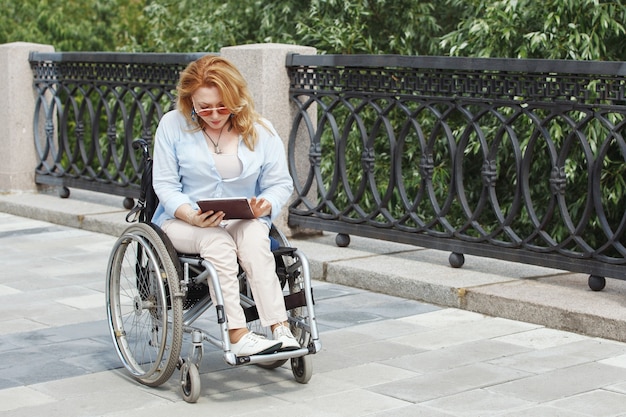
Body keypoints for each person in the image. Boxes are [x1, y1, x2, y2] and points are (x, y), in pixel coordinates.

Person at [151, 55, 299, 356]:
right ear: (189, 99)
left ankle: (279, 327)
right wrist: (191, 216)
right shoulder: (172, 125)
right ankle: (237, 332)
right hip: (181, 221)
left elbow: (281, 183)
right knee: (217, 241)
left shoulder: (260, 129)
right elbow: (165, 185)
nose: (215, 114)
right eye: (204, 107)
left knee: (257, 239)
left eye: (223, 106)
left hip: (241, 219)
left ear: (236, 98)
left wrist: (265, 204)